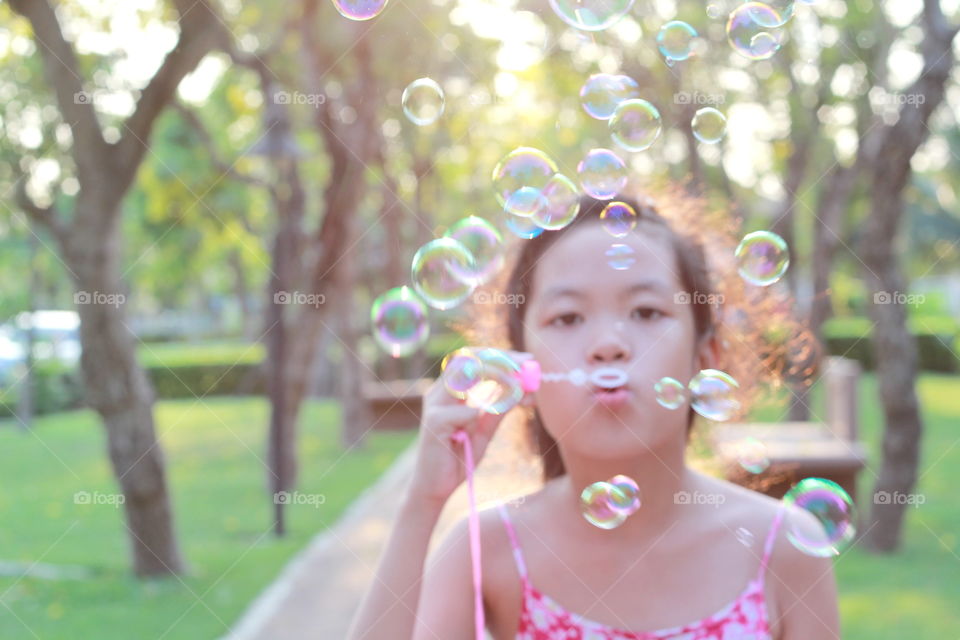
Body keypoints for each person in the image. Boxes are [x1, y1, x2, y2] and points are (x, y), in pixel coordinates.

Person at [348, 191, 840, 640]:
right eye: (567, 318)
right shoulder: (486, 551)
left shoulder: (783, 549)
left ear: (704, 358)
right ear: (522, 371)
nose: (607, 345)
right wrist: (423, 503)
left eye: (646, 312)